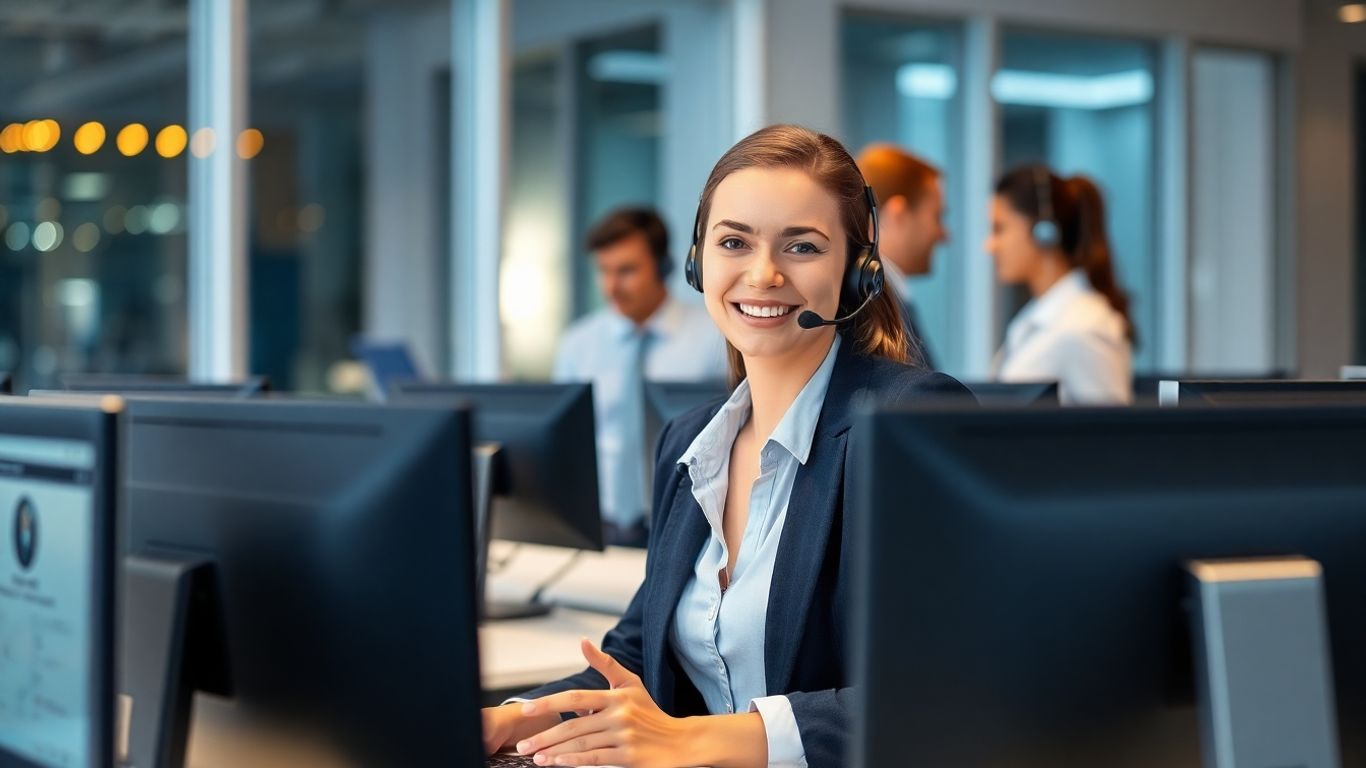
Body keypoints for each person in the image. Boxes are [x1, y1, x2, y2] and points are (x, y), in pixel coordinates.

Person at [484, 125, 972, 768]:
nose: (762, 274)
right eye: (734, 242)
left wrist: (692, 740)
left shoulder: (906, 423)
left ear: (857, 273)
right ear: (698, 263)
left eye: (801, 245)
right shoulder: (691, 443)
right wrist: (520, 719)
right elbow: (638, 656)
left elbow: (939, 695)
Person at [554, 208, 726, 547]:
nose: (611, 287)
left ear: (664, 267)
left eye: (626, 271)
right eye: (603, 271)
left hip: (687, 528)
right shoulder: (578, 344)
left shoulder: (716, 340)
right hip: (597, 527)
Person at [986, 165, 1135, 405]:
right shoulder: (1040, 318)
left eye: (999, 228)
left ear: (1044, 232)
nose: (990, 246)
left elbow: (1113, 435)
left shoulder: (1085, 327)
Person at [855, 144, 948, 369]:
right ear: (898, 214)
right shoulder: (876, 308)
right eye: (937, 217)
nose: (943, 235)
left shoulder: (881, 297)